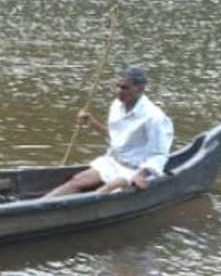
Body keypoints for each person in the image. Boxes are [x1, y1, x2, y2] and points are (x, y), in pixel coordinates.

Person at [44, 65, 174, 198]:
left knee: (103, 192)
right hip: (114, 162)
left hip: (136, 170)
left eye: (124, 88)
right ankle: (40, 204)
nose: (118, 91)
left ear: (140, 89)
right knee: (76, 181)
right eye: (117, 86)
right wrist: (93, 124)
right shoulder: (117, 106)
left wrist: (141, 175)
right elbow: (116, 141)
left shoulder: (154, 117)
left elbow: (159, 155)